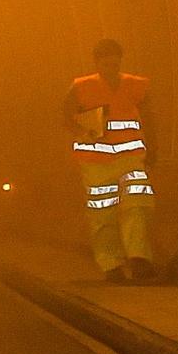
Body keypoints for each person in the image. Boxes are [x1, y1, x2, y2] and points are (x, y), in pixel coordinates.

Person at [62, 39, 157, 282]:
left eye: (113, 56)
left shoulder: (135, 85)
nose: (109, 61)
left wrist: (153, 148)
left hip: (131, 156)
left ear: (120, 59)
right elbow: (65, 115)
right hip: (95, 160)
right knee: (103, 214)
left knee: (137, 205)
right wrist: (82, 129)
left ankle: (138, 259)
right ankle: (111, 265)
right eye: (104, 57)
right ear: (96, 61)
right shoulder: (81, 87)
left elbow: (149, 117)